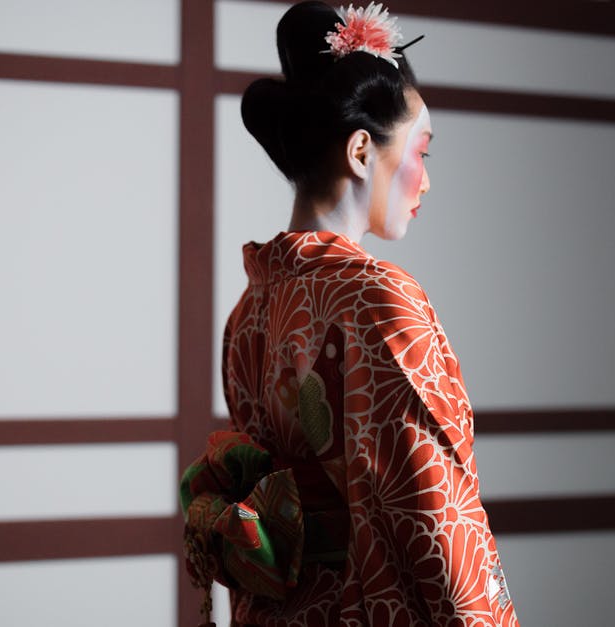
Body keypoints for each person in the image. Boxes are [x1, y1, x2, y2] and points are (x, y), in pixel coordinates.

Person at [180, 2, 521, 626]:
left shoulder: (249, 310)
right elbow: (435, 516)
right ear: (362, 151)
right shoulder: (380, 298)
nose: (426, 182)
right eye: (422, 151)